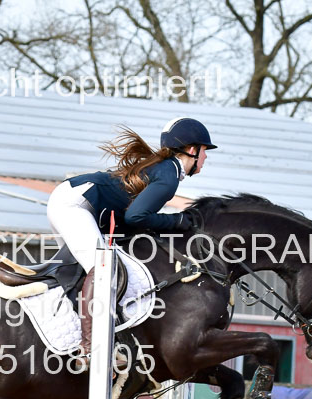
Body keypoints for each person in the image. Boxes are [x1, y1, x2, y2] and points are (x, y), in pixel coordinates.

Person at [46, 117, 214, 355]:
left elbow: (132, 219)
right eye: (205, 151)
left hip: (70, 198)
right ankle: (91, 347)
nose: (206, 158)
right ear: (191, 150)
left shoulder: (167, 170)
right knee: (103, 269)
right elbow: (136, 216)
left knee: (78, 272)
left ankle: (66, 331)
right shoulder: (169, 176)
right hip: (75, 204)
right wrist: (177, 220)